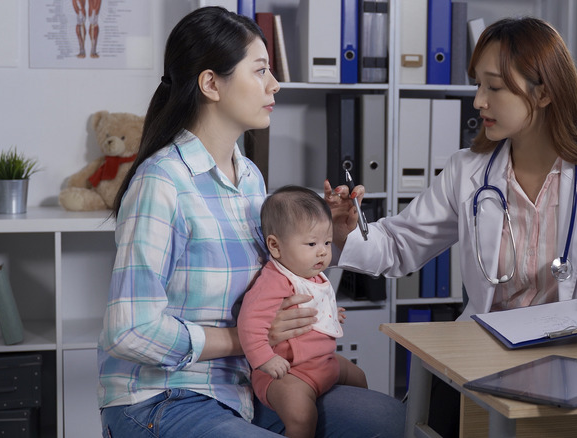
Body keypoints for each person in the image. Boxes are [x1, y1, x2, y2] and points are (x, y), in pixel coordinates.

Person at [97, 6, 404, 438]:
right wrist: (246, 339)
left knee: (388, 420)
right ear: (210, 84)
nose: (274, 84)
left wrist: (322, 235)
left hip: (247, 382)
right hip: (164, 397)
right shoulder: (161, 183)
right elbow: (129, 331)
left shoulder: (250, 179)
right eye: (260, 71)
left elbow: (274, 281)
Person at [324, 16, 577, 323]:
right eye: (478, 86)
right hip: (491, 350)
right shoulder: (466, 172)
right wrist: (344, 234)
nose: (477, 101)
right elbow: (399, 245)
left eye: (495, 88)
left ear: (543, 93)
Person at [238, 185, 368, 438]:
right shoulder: (275, 280)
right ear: (275, 246)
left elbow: (313, 303)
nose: (322, 250)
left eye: (327, 242)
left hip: (324, 362)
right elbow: (250, 324)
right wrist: (265, 359)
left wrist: (329, 311)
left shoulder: (312, 275)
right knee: (302, 416)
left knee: (358, 376)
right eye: (311, 243)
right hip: (290, 371)